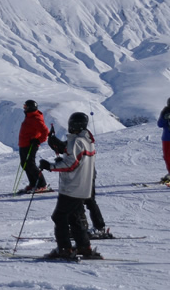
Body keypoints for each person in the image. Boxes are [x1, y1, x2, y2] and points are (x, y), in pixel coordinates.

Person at [39, 112, 101, 259]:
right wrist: (60, 151)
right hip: (83, 187)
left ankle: (64, 249)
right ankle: (83, 247)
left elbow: (71, 164)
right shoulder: (87, 140)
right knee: (74, 217)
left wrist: (50, 166)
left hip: (72, 186)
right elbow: (75, 159)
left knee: (59, 217)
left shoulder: (77, 141)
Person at [48, 125, 111, 240]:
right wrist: (54, 141)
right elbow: (68, 150)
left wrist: (56, 162)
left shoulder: (81, 140)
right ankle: (82, 228)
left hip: (85, 175)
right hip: (84, 175)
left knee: (88, 201)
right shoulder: (82, 138)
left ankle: (97, 227)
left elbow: (73, 156)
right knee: (79, 203)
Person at [18, 99, 50, 193]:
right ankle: (33, 184)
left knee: (30, 164)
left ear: (31, 108)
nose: (24, 108)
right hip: (23, 144)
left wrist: (38, 140)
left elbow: (45, 131)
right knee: (25, 164)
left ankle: (42, 185)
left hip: (30, 145)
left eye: (26, 107)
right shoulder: (29, 116)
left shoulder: (35, 118)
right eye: (24, 106)